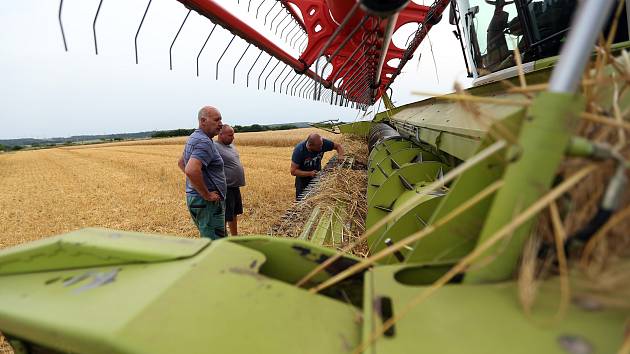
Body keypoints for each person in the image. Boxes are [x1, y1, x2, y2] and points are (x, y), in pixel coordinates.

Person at [178, 106, 227, 240]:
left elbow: (182, 163)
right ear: (203, 121)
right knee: (214, 244)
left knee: (213, 239)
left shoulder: (194, 137)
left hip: (196, 200)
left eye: (221, 120)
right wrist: (206, 194)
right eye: (217, 120)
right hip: (206, 204)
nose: (221, 124)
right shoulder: (203, 142)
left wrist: (196, 183)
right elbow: (191, 169)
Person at [290, 133, 344, 199]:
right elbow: (293, 171)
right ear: (310, 146)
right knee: (302, 201)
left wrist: (340, 156)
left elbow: (338, 146)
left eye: (322, 146)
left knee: (316, 198)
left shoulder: (321, 143)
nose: (322, 148)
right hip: (303, 180)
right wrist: (309, 173)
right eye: (319, 147)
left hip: (317, 175)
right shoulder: (299, 150)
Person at [215, 125, 246, 236]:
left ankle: (234, 236)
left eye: (233, 134)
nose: (233, 137)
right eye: (230, 135)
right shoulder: (214, 147)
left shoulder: (231, 146)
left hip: (234, 186)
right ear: (220, 134)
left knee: (233, 213)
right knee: (224, 214)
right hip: (225, 187)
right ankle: (222, 237)